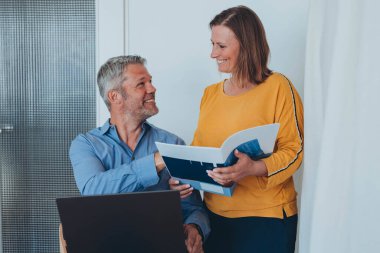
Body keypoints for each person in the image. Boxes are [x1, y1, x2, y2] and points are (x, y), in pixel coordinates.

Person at [170, 5, 304, 253]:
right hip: (214, 217)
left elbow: (295, 151)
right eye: (212, 44)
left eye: (221, 46)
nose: (213, 54)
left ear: (247, 45)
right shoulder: (210, 95)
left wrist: (254, 168)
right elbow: (199, 151)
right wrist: (183, 179)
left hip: (266, 219)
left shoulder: (279, 87)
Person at [69, 55, 210, 253]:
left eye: (150, 81)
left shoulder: (172, 144)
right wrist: (156, 162)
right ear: (115, 96)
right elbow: (93, 191)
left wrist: (195, 228)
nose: (152, 88)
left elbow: (193, 208)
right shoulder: (86, 145)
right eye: (141, 84)